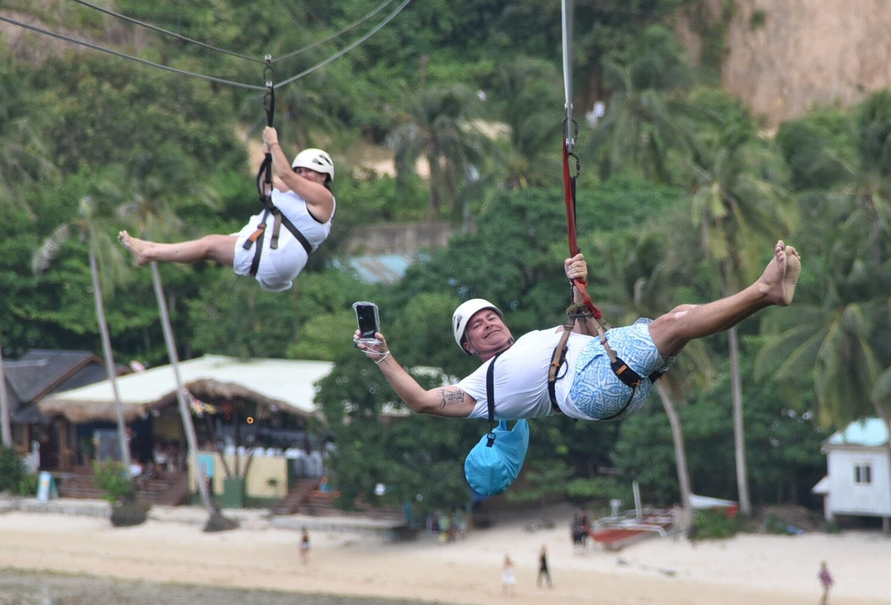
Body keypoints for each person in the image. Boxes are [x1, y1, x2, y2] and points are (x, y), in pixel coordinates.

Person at [354, 239, 800, 422]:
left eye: (490, 315)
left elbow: (589, 334)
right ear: (469, 347)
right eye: (475, 326)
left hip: (601, 367)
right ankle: (764, 289)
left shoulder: (537, 340)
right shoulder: (480, 387)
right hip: (588, 391)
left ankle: (767, 296)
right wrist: (382, 355)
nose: (487, 322)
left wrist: (578, 284)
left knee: (681, 317)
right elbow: (420, 401)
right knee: (677, 322)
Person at [118, 127, 336, 293]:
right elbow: (265, 186)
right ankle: (149, 248)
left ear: (324, 176)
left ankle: (148, 253)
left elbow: (286, 175)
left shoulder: (324, 199)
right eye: (301, 171)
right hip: (275, 260)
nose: (304, 175)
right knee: (209, 246)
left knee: (209, 245)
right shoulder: (291, 195)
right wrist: (268, 156)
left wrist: (274, 143)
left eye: (310, 171)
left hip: (277, 259)